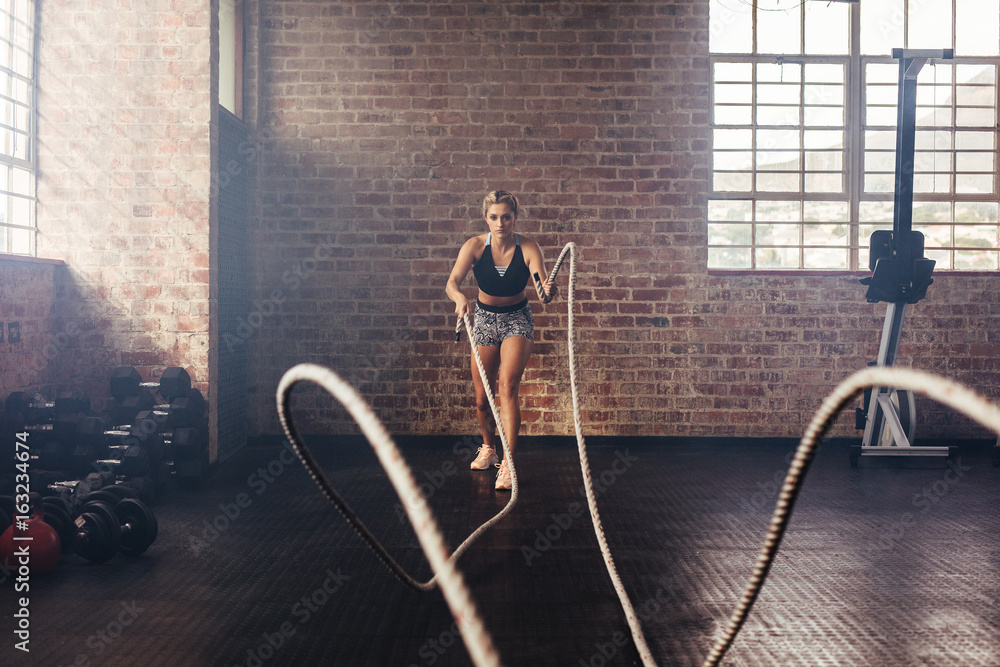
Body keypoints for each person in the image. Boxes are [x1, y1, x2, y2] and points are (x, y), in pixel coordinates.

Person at [446, 190, 557, 490]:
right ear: (486, 218)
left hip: (517, 319)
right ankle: (489, 448)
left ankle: (507, 462)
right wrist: (459, 298)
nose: (500, 223)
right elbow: (452, 283)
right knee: (483, 399)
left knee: (507, 387)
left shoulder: (529, 248)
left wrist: (549, 289)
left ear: (514, 218)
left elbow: (543, 292)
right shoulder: (474, 247)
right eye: (494, 217)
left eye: (506, 217)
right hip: (483, 318)